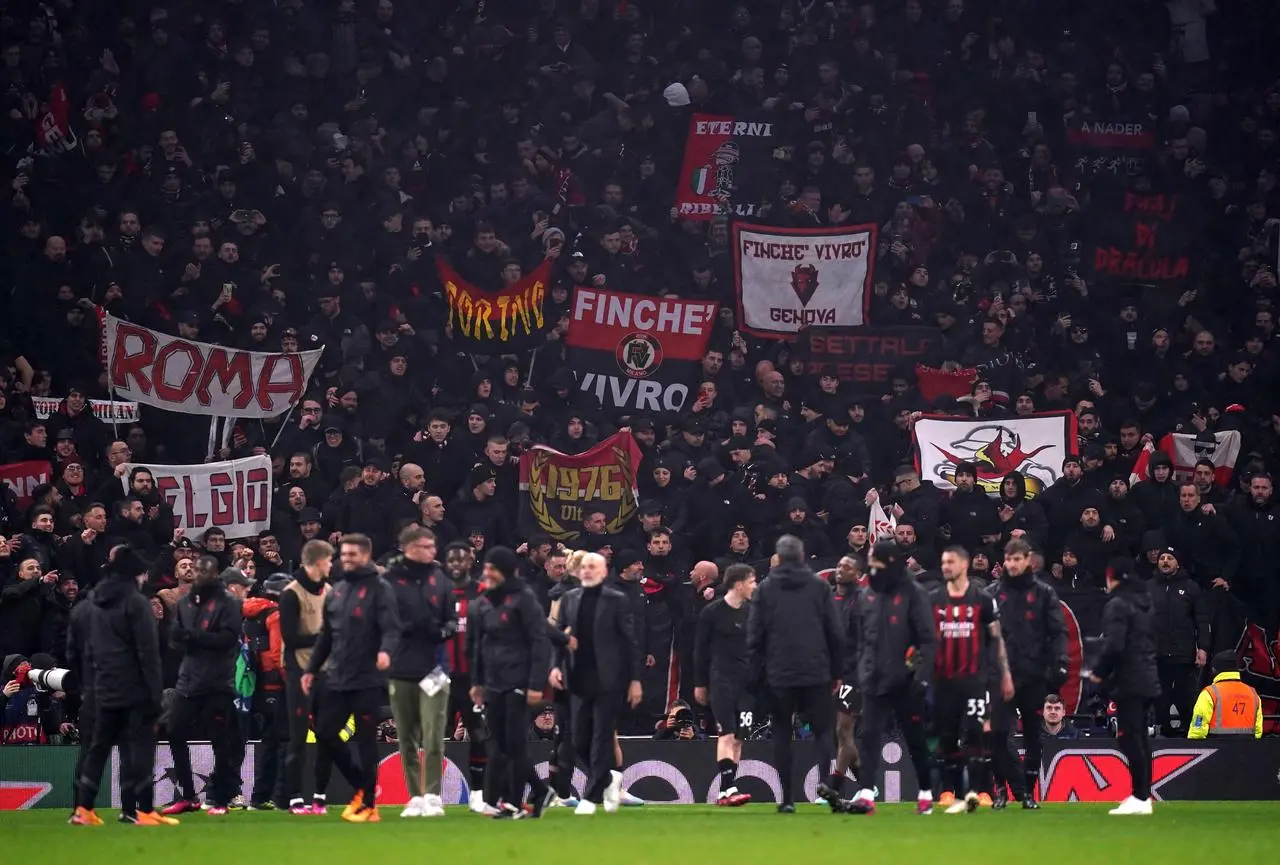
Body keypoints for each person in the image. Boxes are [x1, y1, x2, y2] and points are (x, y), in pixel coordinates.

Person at [71, 545, 175, 826]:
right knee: (138, 750)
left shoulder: (91, 604)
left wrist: (87, 686)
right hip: (135, 689)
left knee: (98, 749)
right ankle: (142, 811)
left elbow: (76, 651)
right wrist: (155, 694)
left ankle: (84, 809)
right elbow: (148, 653)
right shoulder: (136, 603)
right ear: (135, 574)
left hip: (102, 688)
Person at [304, 533, 401, 823]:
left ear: (366, 556)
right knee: (324, 732)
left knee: (366, 741)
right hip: (337, 676)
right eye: (343, 554)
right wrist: (311, 668)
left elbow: (393, 629)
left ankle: (369, 805)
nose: (345, 559)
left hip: (368, 678)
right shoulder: (337, 590)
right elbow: (326, 636)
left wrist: (386, 651)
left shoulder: (381, 589)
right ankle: (361, 785)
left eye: (351, 555)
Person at [746, 535, 843, 814]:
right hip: (816, 671)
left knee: (781, 733)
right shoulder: (819, 587)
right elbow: (834, 633)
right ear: (801, 557)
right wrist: (836, 671)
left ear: (778, 557)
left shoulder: (766, 589)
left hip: (780, 673)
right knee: (824, 732)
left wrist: (760, 669)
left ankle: (787, 798)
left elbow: (755, 634)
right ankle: (826, 787)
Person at [843, 540, 936, 816]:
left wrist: (920, 677)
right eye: (871, 564)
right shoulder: (865, 596)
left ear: (892, 564)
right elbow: (856, 637)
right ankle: (866, 793)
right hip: (873, 678)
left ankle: (925, 792)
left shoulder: (914, 593)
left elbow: (928, 640)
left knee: (915, 738)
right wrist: (861, 668)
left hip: (907, 680)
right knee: (869, 735)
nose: (873, 570)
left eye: (878, 564)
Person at [550, 551, 643, 815]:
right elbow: (561, 635)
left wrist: (635, 680)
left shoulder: (617, 600)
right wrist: (555, 666)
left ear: (603, 572)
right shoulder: (569, 599)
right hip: (577, 678)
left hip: (609, 679)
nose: (588, 571)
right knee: (578, 739)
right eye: (585, 567)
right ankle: (608, 777)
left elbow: (629, 642)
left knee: (603, 736)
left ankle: (591, 798)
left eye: (593, 567)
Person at [469, 546, 553, 819]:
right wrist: (477, 682)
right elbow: (478, 647)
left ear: (504, 571)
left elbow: (539, 642)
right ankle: (534, 792)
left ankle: (512, 802)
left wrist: (535, 684)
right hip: (493, 682)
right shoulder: (482, 603)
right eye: (487, 568)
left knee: (514, 744)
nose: (487, 573)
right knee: (500, 743)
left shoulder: (524, 599)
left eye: (493, 569)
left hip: (519, 679)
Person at [930, 547, 1013, 814]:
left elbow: (996, 639)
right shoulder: (933, 599)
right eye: (942, 561)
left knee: (977, 734)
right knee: (947, 737)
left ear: (964, 564)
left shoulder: (983, 599)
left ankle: (978, 792)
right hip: (943, 680)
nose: (945, 566)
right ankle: (948, 792)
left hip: (975, 679)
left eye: (950, 561)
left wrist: (1004, 675)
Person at [988, 538, 1067, 809]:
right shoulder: (992, 594)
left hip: (1033, 674)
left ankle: (1029, 792)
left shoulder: (1044, 593)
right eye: (1008, 559)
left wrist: (1060, 662)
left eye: (1016, 559)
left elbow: (1057, 631)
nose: (1011, 564)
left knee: (1034, 735)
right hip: (999, 676)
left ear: (1028, 560)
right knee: (997, 735)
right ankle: (1000, 789)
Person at [163, 555, 243, 816]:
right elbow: (179, 638)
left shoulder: (228, 602)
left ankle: (221, 798)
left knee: (219, 739)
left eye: (204, 571)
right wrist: (175, 638)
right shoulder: (185, 602)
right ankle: (188, 796)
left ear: (214, 573)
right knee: (174, 731)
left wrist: (194, 637)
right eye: (196, 570)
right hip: (189, 681)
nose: (198, 575)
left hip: (218, 681)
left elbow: (229, 639)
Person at [385, 526, 456, 818]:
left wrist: (442, 631)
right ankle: (414, 795)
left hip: (435, 667)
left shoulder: (441, 579)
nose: (433, 551)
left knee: (434, 732)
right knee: (406, 736)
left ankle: (433, 795)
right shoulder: (390, 581)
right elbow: (384, 619)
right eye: (426, 546)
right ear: (409, 547)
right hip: (401, 668)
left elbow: (452, 619)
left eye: (433, 545)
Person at [1089, 557, 1160, 816]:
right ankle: (1143, 796)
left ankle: (1140, 798)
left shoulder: (1117, 604)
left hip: (1130, 679)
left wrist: (1098, 672)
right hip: (1148, 676)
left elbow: (1115, 645)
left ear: (1111, 578)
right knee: (1141, 738)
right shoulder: (1144, 604)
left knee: (1130, 738)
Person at [693, 563, 757, 807]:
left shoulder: (753, 612)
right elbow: (700, 650)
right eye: (752, 581)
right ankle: (729, 787)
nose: (755, 586)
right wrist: (700, 683)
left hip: (747, 685)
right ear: (738, 584)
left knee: (740, 738)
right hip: (721, 680)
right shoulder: (712, 612)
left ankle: (725, 790)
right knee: (726, 733)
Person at [279, 540, 334, 815]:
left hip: (325, 673)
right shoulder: (291, 594)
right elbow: (290, 638)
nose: (332, 565)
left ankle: (320, 796)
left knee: (327, 735)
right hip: (299, 672)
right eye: (329, 561)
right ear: (317, 563)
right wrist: (324, 638)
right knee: (298, 736)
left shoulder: (329, 592)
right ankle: (294, 796)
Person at [1147, 547, 1210, 737]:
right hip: (1156, 655)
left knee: (1186, 698)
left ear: (1178, 563)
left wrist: (1203, 648)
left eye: (1170, 558)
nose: (1165, 561)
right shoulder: (1148, 587)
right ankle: (1161, 735)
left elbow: (1202, 620)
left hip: (1184, 655)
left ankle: (1189, 735)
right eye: (1162, 558)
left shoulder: (1191, 588)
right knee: (1159, 699)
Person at [830, 556, 864, 802]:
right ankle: (867, 784)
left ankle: (833, 786)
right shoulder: (828, 598)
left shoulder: (861, 600)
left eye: (847, 567)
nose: (841, 570)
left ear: (858, 574)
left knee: (844, 729)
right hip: (828, 674)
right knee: (838, 735)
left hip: (853, 674)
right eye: (839, 566)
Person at [1187, 651, 1263, 739]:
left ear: (1214, 669)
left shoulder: (1210, 693)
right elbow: (1258, 731)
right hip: (1247, 750)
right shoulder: (1253, 694)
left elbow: (1198, 729)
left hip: (1216, 749)